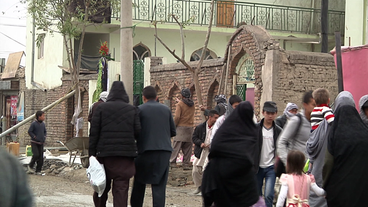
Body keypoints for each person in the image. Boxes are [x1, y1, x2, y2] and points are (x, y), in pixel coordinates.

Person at [89, 81, 140, 207]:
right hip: (125, 158)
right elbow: (138, 131)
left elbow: (94, 132)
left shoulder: (101, 108)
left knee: (102, 187)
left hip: (104, 156)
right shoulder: (132, 109)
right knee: (121, 189)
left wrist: (91, 154)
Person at [201, 101, 259, 207]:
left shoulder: (226, 128)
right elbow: (251, 155)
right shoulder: (252, 132)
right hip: (243, 179)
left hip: (221, 175)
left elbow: (215, 147)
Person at [130, 86, 176, 207]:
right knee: (159, 186)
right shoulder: (166, 110)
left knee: (139, 183)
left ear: (143, 98)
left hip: (144, 151)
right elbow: (173, 131)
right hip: (164, 151)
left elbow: (134, 131)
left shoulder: (139, 109)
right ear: (157, 97)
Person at [322, 91, 368, 207]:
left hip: (339, 191)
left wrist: (325, 185)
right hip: (363, 190)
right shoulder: (364, 131)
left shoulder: (335, 133)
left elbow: (328, 162)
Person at [306, 91, 351, 207]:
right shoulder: (327, 113)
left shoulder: (314, 112)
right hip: (323, 150)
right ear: (329, 101)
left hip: (314, 145)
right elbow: (332, 122)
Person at [255, 101, 282, 207]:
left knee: (269, 194)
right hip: (257, 166)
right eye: (268, 113)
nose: (270, 116)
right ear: (263, 113)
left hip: (271, 167)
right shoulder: (256, 129)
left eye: (273, 113)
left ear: (276, 113)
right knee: (257, 195)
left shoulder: (278, 131)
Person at [191, 110, 219, 195]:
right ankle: (199, 187)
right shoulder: (200, 127)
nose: (217, 119)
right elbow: (194, 138)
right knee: (196, 170)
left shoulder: (218, 128)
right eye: (215, 118)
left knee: (207, 170)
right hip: (201, 150)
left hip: (211, 151)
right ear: (210, 117)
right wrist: (201, 143)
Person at [277, 101, 311, 171]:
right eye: (292, 111)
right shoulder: (295, 120)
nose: (294, 113)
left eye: (295, 111)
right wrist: (287, 163)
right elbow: (281, 141)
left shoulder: (310, 121)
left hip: (306, 163)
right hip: (294, 164)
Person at [170, 88, 195, 170]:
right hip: (190, 128)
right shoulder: (192, 104)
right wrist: (179, 102)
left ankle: (172, 162)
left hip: (181, 127)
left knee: (176, 145)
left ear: (182, 95)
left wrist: (174, 126)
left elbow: (177, 117)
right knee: (188, 147)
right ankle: (186, 163)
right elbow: (185, 105)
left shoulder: (180, 104)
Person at [27, 110, 47, 175]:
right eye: (43, 116)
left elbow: (45, 131)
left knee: (41, 157)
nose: (44, 117)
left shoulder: (43, 124)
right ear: (39, 116)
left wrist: (44, 137)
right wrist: (34, 137)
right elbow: (30, 131)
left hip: (41, 142)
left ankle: (38, 170)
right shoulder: (34, 124)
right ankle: (30, 166)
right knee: (36, 155)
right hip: (34, 142)